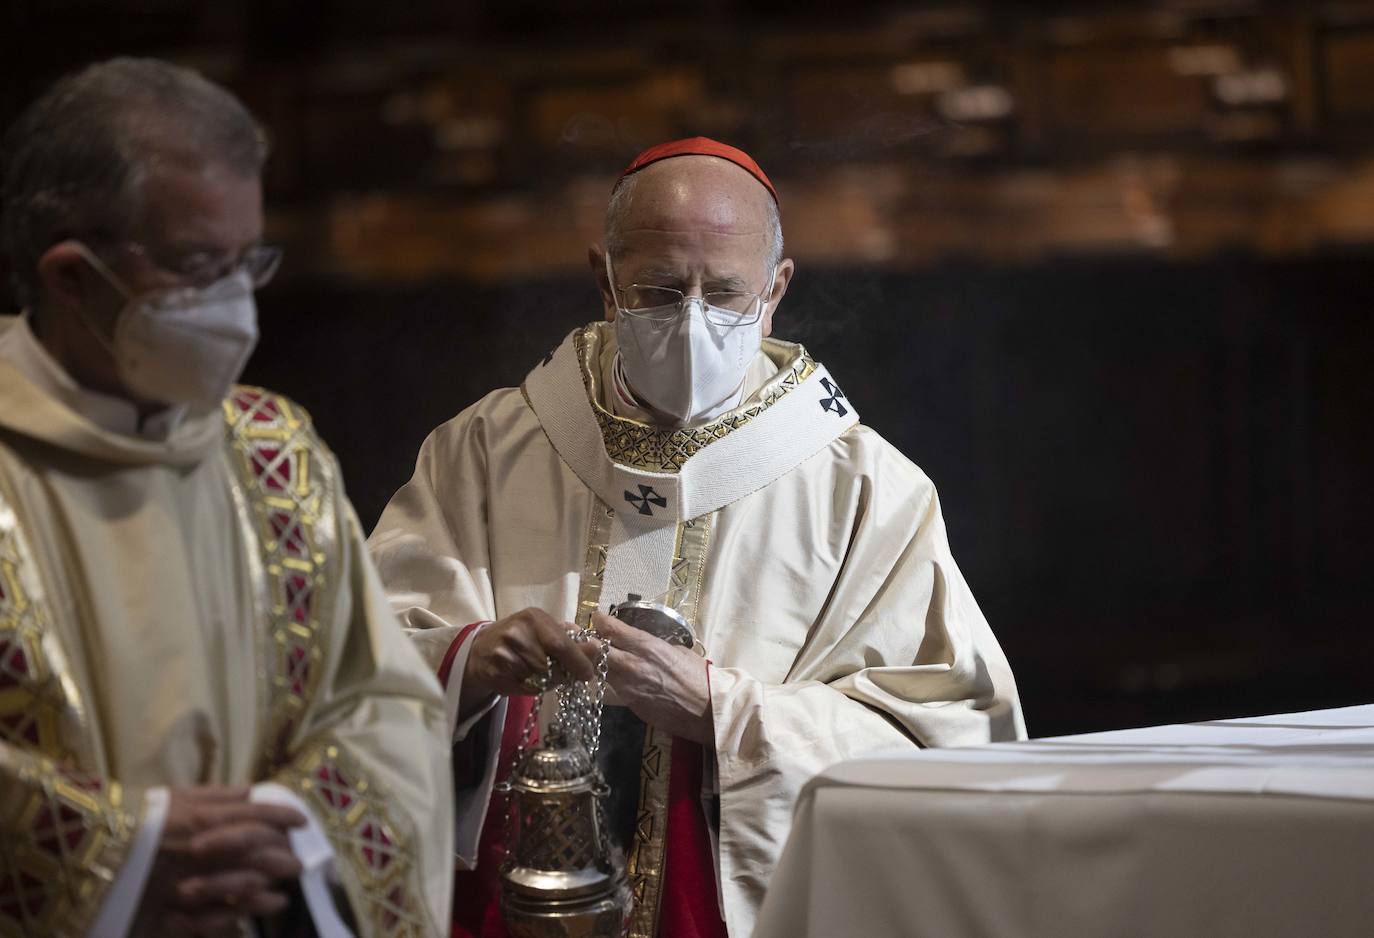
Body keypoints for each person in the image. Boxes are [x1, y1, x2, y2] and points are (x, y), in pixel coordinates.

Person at [369, 137, 1025, 938]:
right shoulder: (483, 452)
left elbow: (955, 744)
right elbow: (354, 668)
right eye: (657, 288)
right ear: (604, 282)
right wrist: (469, 663)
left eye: (724, 292)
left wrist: (726, 713)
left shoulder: (864, 488)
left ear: (776, 289)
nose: (691, 318)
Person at [0, 58, 453, 936]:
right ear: (70, 276)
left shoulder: (272, 453)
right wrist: (117, 852)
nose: (237, 302)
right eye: (200, 264)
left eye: (250, 262)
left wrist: (297, 835)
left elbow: (383, 704)